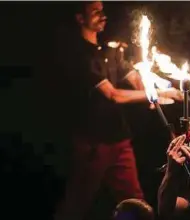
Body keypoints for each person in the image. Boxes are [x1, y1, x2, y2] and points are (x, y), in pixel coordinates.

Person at [53, 1, 183, 220]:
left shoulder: (109, 49)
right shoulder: (82, 55)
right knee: (77, 205)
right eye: (95, 12)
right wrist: (159, 94)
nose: (103, 16)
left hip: (119, 140)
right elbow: (113, 95)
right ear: (80, 18)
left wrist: (150, 89)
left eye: (102, 10)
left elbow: (133, 77)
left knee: (136, 200)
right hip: (94, 142)